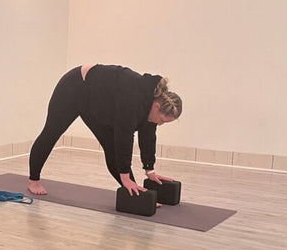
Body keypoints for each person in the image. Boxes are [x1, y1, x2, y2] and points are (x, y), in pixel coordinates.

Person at [28, 64, 182, 196]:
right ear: (157, 107)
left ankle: (134, 191)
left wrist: (150, 170)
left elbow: (147, 136)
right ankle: (33, 181)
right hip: (74, 87)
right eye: (162, 120)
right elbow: (124, 138)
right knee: (51, 133)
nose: (160, 124)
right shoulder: (134, 101)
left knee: (111, 147)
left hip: (96, 104)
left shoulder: (151, 101)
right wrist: (125, 177)